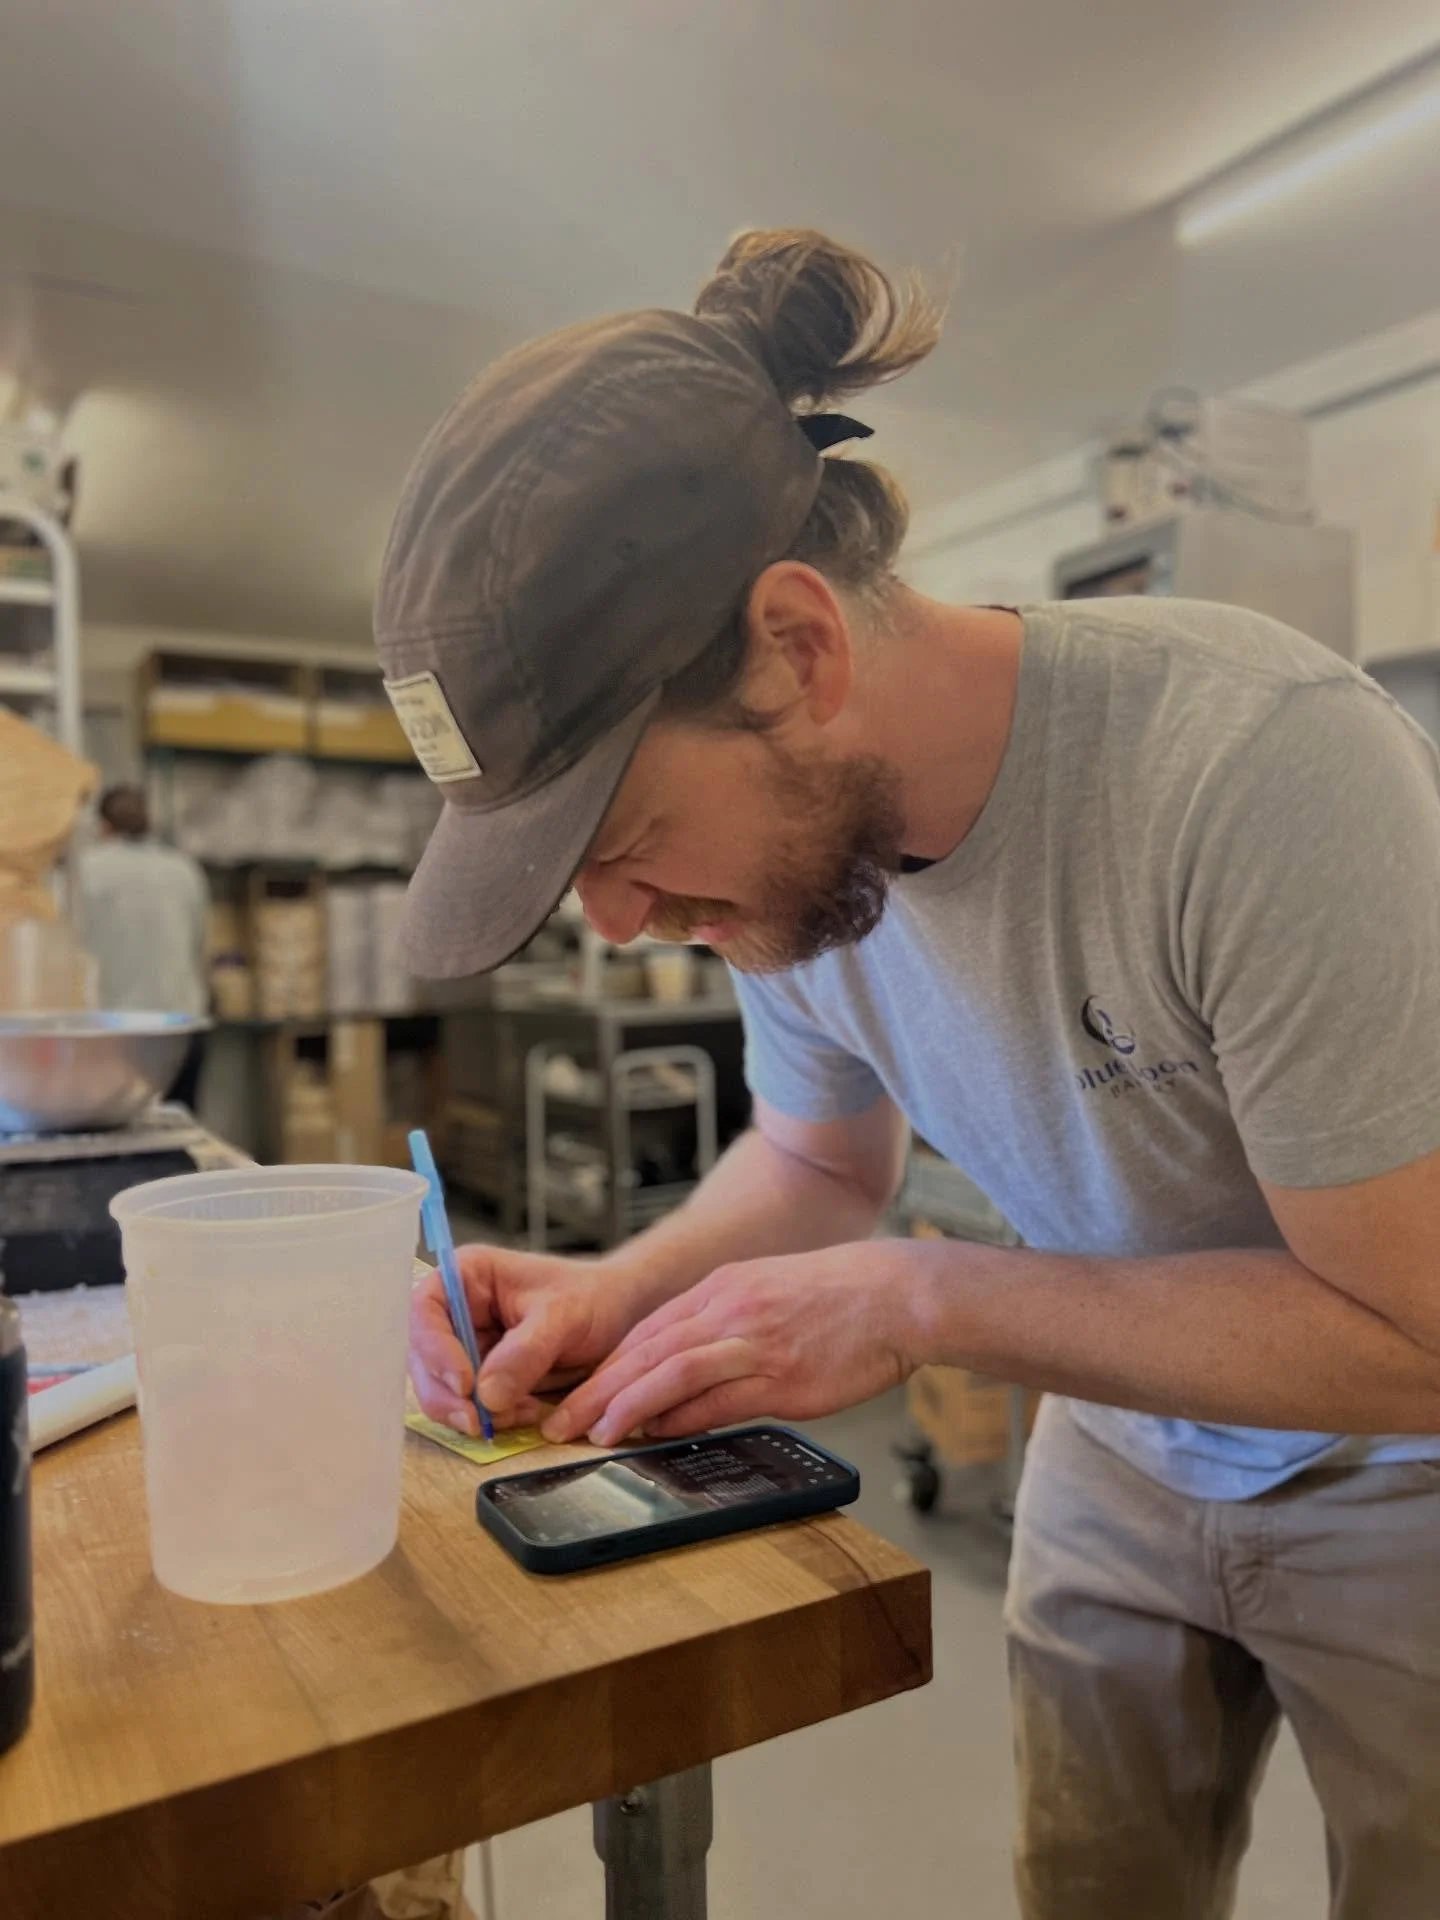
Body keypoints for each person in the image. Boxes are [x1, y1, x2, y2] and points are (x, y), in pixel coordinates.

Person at [380, 229, 1440, 1917]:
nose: (631, 919)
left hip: (1397, 1477)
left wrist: (924, 1300)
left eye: (632, 839)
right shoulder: (801, 879)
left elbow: (1416, 1340)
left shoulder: (1253, 773)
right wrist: (622, 1290)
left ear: (797, 651)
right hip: (1122, 1447)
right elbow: (816, 1162)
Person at [77, 784, 209, 1107]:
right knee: (179, 1129)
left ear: (103, 826)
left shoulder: (87, 870)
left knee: (122, 1134)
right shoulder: (184, 869)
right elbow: (200, 945)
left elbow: (69, 952)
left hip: (117, 1033)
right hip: (184, 1026)